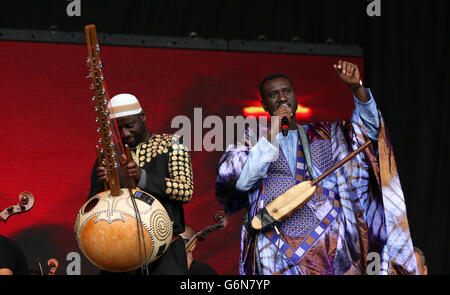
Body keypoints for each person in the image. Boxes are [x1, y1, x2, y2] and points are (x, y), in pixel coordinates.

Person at [215, 60, 418, 275]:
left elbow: (371, 133)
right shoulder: (251, 141)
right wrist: (271, 133)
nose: (282, 98)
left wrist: (357, 87)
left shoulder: (329, 134)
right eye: (274, 94)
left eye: (287, 91)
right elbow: (242, 181)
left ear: (295, 96)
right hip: (273, 253)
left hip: (330, 251)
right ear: (264, 104)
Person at [88, 93, 194, 275]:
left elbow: (185, 190)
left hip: (165, 251)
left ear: (143, 116)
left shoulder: (172, 144)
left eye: (130, 126)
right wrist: (102, 186)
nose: (124, 134)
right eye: (118, 129)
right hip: (119, 252)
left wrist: (142, 177)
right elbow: (92, 209)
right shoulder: (108, 156)